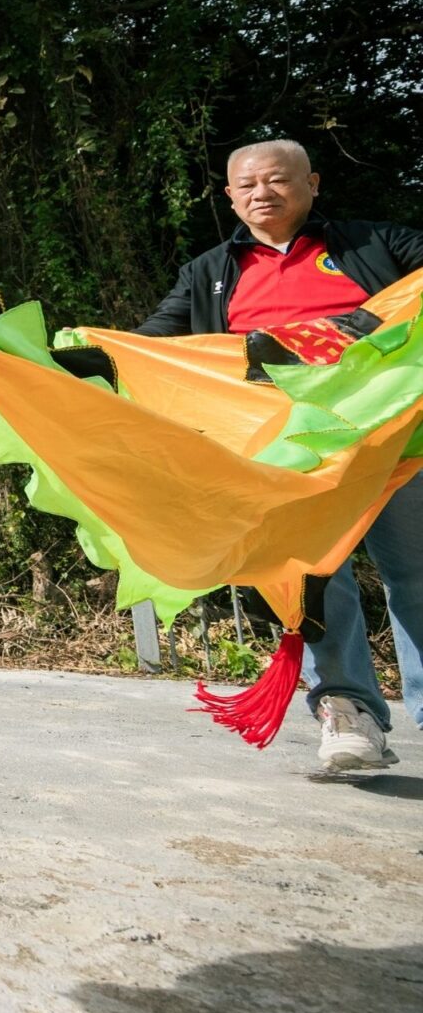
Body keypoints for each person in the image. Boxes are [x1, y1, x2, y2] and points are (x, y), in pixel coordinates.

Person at [134, 139, 423, 774]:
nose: (263, 193)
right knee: (314, 581)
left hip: (395, 438)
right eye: (248, 185)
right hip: (285, 448)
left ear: (312, 183)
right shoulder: (209, 270)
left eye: (278, 179)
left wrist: (364, 328)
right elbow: (155, 344)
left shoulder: (378, 245)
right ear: (232, 196)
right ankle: (349, 712)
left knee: (418, 574)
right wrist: (85, 354)